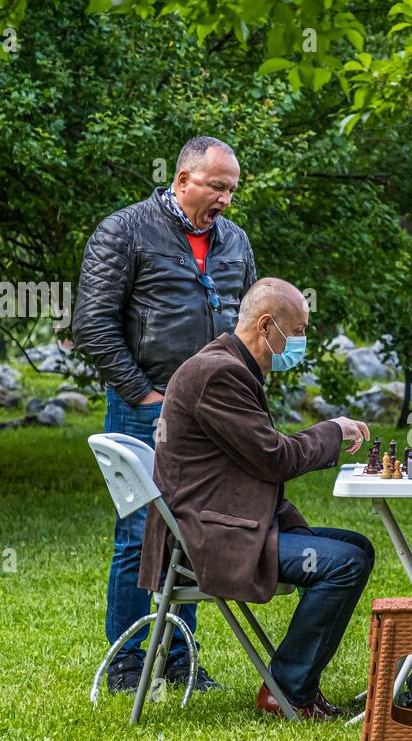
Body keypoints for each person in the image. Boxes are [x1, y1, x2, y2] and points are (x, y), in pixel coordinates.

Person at [138, 279, 374, 721]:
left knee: (358, 547)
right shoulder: (218, 373)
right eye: (299, 330)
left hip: (222, 519)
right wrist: (333, 431)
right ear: (266, 326)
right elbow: (275, 459)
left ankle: (294, 681)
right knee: (346, 563)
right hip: (209, 535)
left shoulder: (229, 364)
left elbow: (261, 453)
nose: (301, 341)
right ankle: (286, 689)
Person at [73, 136, 257, 694]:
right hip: (143, 405)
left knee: (194, 532)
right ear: (182, 180)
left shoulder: (235, 242)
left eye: (232, 189)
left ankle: (181, 662)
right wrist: (144, 395)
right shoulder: (124, 231)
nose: (226, 199)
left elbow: (249, 322)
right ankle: (130, 665)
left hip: (213, 413)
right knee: (139, 533)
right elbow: (92, 326)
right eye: (217, 186)